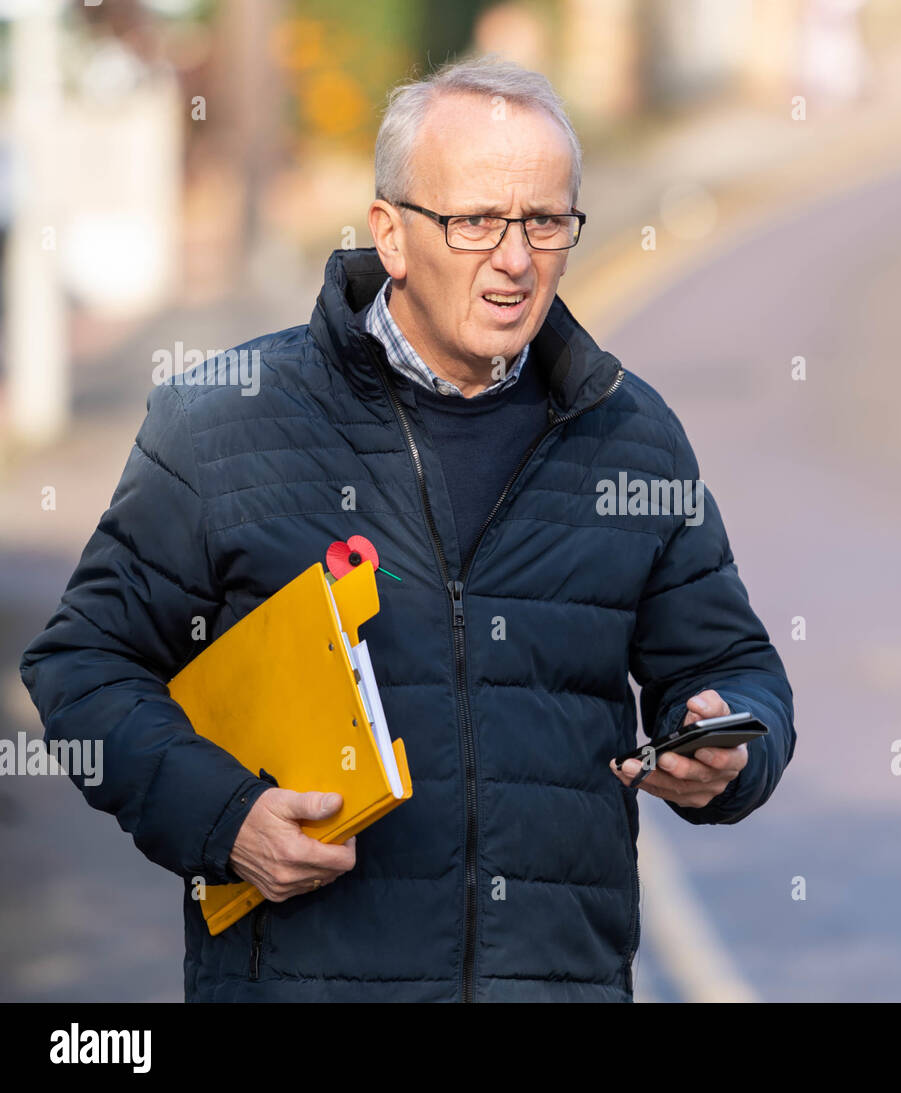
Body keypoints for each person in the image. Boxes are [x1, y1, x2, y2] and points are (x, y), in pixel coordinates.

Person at [20, 55, 795, 1003]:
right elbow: (82, 666)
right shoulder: (226, 421)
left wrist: (731, 747)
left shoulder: (631, 438)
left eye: (546, 221)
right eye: (475, 220)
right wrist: (226, 820)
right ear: (389, 233)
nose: (516, 258)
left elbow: (737, 669)